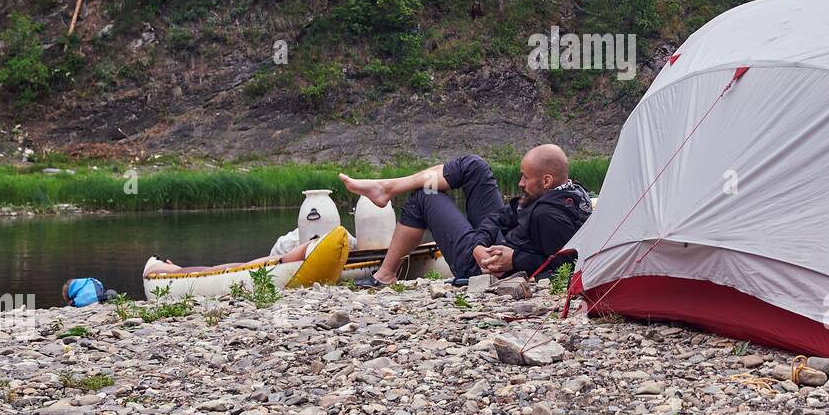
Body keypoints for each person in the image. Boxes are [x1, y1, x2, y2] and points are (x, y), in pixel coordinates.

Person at [339, 145, 591, 286]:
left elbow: (566, 265)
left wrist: (515, 260)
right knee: (474, 166)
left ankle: (384, 275)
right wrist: (479, 244)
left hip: (486, 268)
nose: (520, 182)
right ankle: (389, 188)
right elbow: (501, 217)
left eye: (526, 176)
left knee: (423, 197)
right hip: (489, 249)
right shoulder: (559, 192)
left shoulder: (550, 216)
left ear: (547, 180)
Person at [142, 239, 314, 277]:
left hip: (283, 258)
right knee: (229, 269)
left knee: (236, 266)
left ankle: (176, 269)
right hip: (280, 258)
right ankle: (173, 270)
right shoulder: (291, 243)